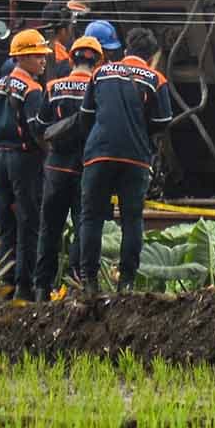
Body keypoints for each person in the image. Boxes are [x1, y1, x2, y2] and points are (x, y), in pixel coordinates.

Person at [75, 26, 173, 296]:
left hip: (99, 154)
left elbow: (86, 115)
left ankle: (89, 282)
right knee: (132, 219)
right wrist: (141, 130)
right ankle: (126, 283)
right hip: (136, 159)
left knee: (92, 217)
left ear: (126, 50)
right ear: (152, 55)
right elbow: (164, 121)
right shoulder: (156, 79)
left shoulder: (100, 73)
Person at [0, 30, 49, 300]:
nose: (43, 60)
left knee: (5, 225)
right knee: (29, 223)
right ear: (24, 57)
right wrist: (49, 154)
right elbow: (37, 132)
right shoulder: (32, 90)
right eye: (39, 55)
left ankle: (4, 284)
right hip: (24, 160)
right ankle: (24, 286)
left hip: (0, 160)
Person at [33, 33, 101, 300]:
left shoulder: (52, 86)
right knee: (84, 225)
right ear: (97, 62)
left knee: (49, 229)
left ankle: (41, 289)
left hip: (55, 169)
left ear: (71, 58)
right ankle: (76, 284)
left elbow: (39, 127)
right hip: (85, 168)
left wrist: (51, 152)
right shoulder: (98, 86)